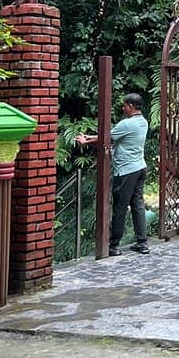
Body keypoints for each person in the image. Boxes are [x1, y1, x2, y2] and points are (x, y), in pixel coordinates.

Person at [77, 93, 151, 255]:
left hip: (126, 171)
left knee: (120, 208)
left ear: (130, 106)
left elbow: (106, 139)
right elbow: (110, 136)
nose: (123, 108)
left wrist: (85, 141)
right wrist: (90, 137)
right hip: (140, 168)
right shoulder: (143, 122)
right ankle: (142, 243)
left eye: (124, 105)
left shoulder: (127, 124)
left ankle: (113, 246)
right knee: (137, 206)